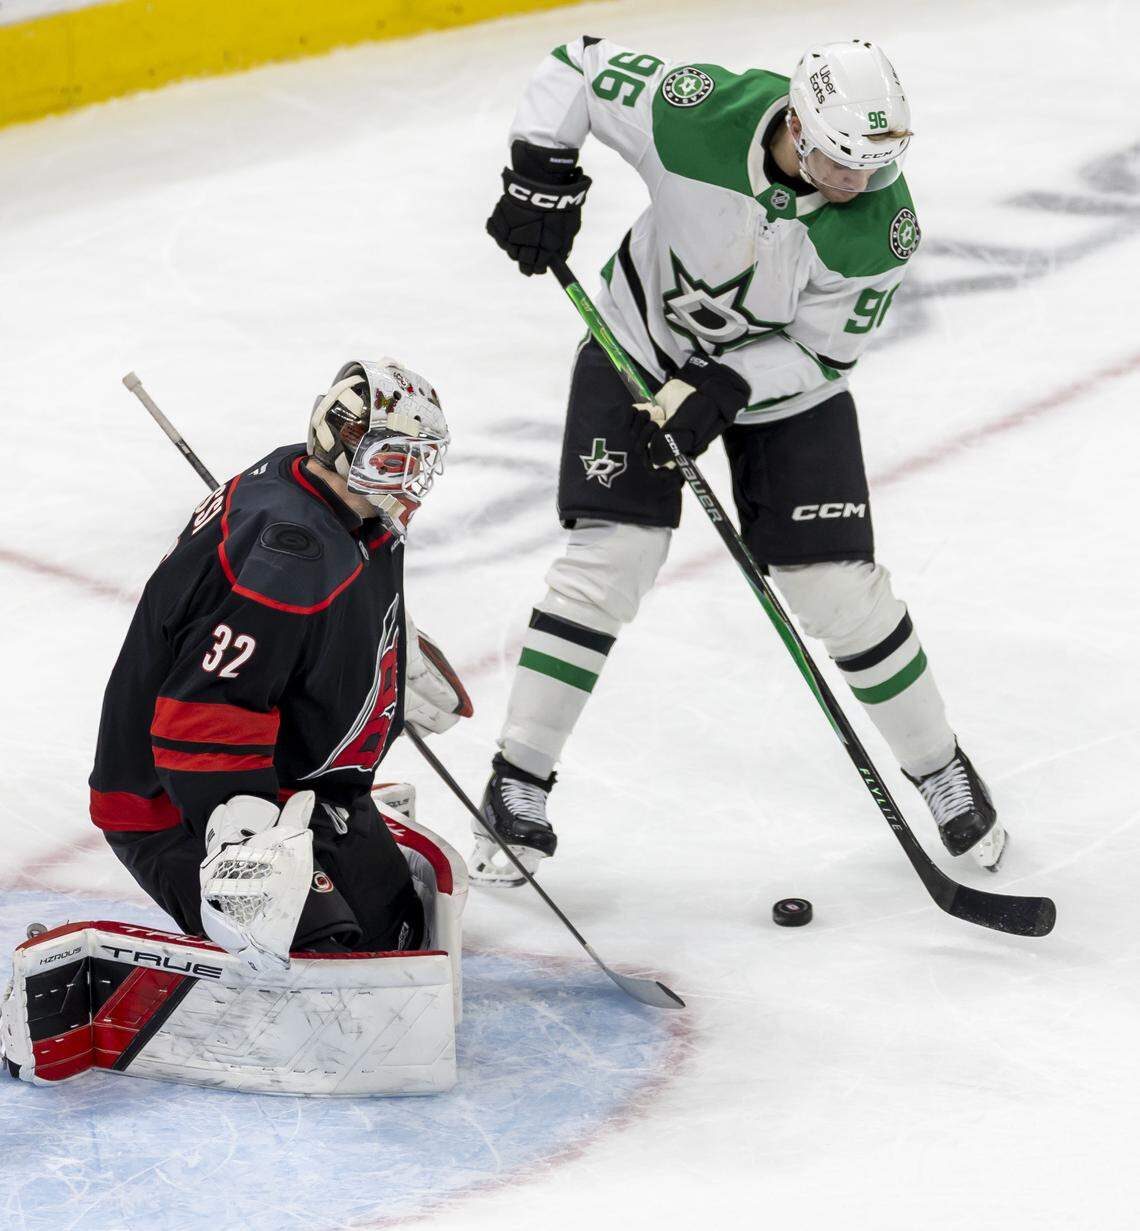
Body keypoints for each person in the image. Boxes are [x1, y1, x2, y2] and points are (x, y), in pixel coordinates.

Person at [476, 37, 1004, 886]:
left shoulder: (883, 226)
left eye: (876, 162)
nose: (858, 180)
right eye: (840, 159)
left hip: (782, 387)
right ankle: (517, 782)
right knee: (610, 559)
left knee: (836, 589)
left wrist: (728, 385)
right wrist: (541, 176)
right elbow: (576, 65)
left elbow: (824, 353)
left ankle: (940, 766)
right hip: (640, 343)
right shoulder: (696, 112)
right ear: (796, 124)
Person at [88, 358, 471, 972]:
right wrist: (247, 841)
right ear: (340, 445)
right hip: (182, 804)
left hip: (303, 781)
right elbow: (205, 713)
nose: (409, 481)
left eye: (418, 461)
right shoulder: (291, 551)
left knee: (399, 936)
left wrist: (373, 659)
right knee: (333, 971)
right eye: (392, 460)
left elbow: (302, 622)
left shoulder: (321, 488)